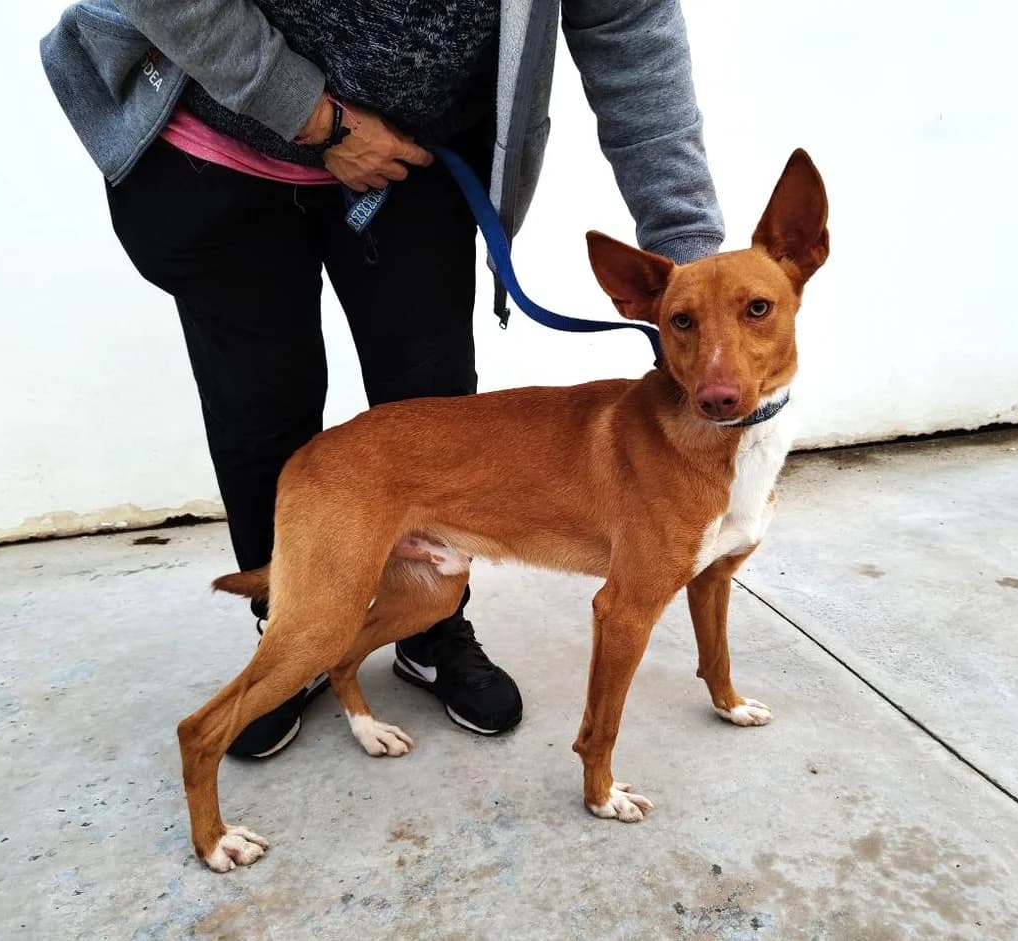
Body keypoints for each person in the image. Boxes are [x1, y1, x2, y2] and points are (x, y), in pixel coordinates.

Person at [40, 0, 725, 759]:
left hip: (414, 159)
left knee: (434, 403)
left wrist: (693, 268)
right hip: (217, 147)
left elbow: (629, 30)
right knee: (261, 408)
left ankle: (429, 621)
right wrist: (318, 120)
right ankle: (295, 629)